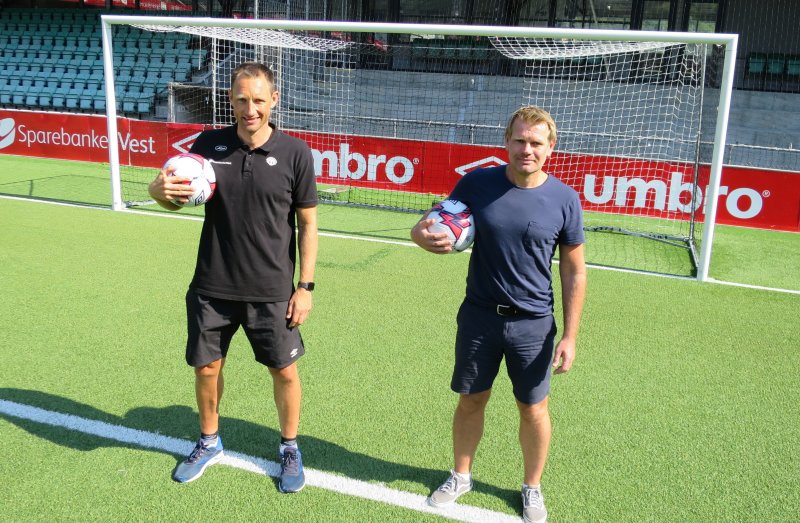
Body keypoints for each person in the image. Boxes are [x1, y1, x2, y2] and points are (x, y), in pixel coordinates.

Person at [147, 62, 318, 493]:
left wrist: (305, 287)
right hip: (212, 285)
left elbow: (308, 225)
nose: (250, 109)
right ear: (230, 100)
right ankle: (208, 441)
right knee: (206, 368)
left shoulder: (296, 153)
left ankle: (290, 447)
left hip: (272, 290)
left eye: (259, 100)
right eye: (242, 99)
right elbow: (175, 197)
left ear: (273, 100)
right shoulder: (207, 146)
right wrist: (157, 191)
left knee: (284, 371)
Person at [411, 106, 586, 522]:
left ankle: (532, 487)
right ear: (506, 142)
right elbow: (433, 221)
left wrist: (571, 335)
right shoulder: (476, 183)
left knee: (533, 408)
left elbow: (574, 269)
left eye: (536, 143)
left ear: (551, 148)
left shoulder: (565, 199)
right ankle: (461, 475)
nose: (527, 149)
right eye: (519, 141)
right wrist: (421, 235)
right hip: (479, 317)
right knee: (471, 399)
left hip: (533, 324)